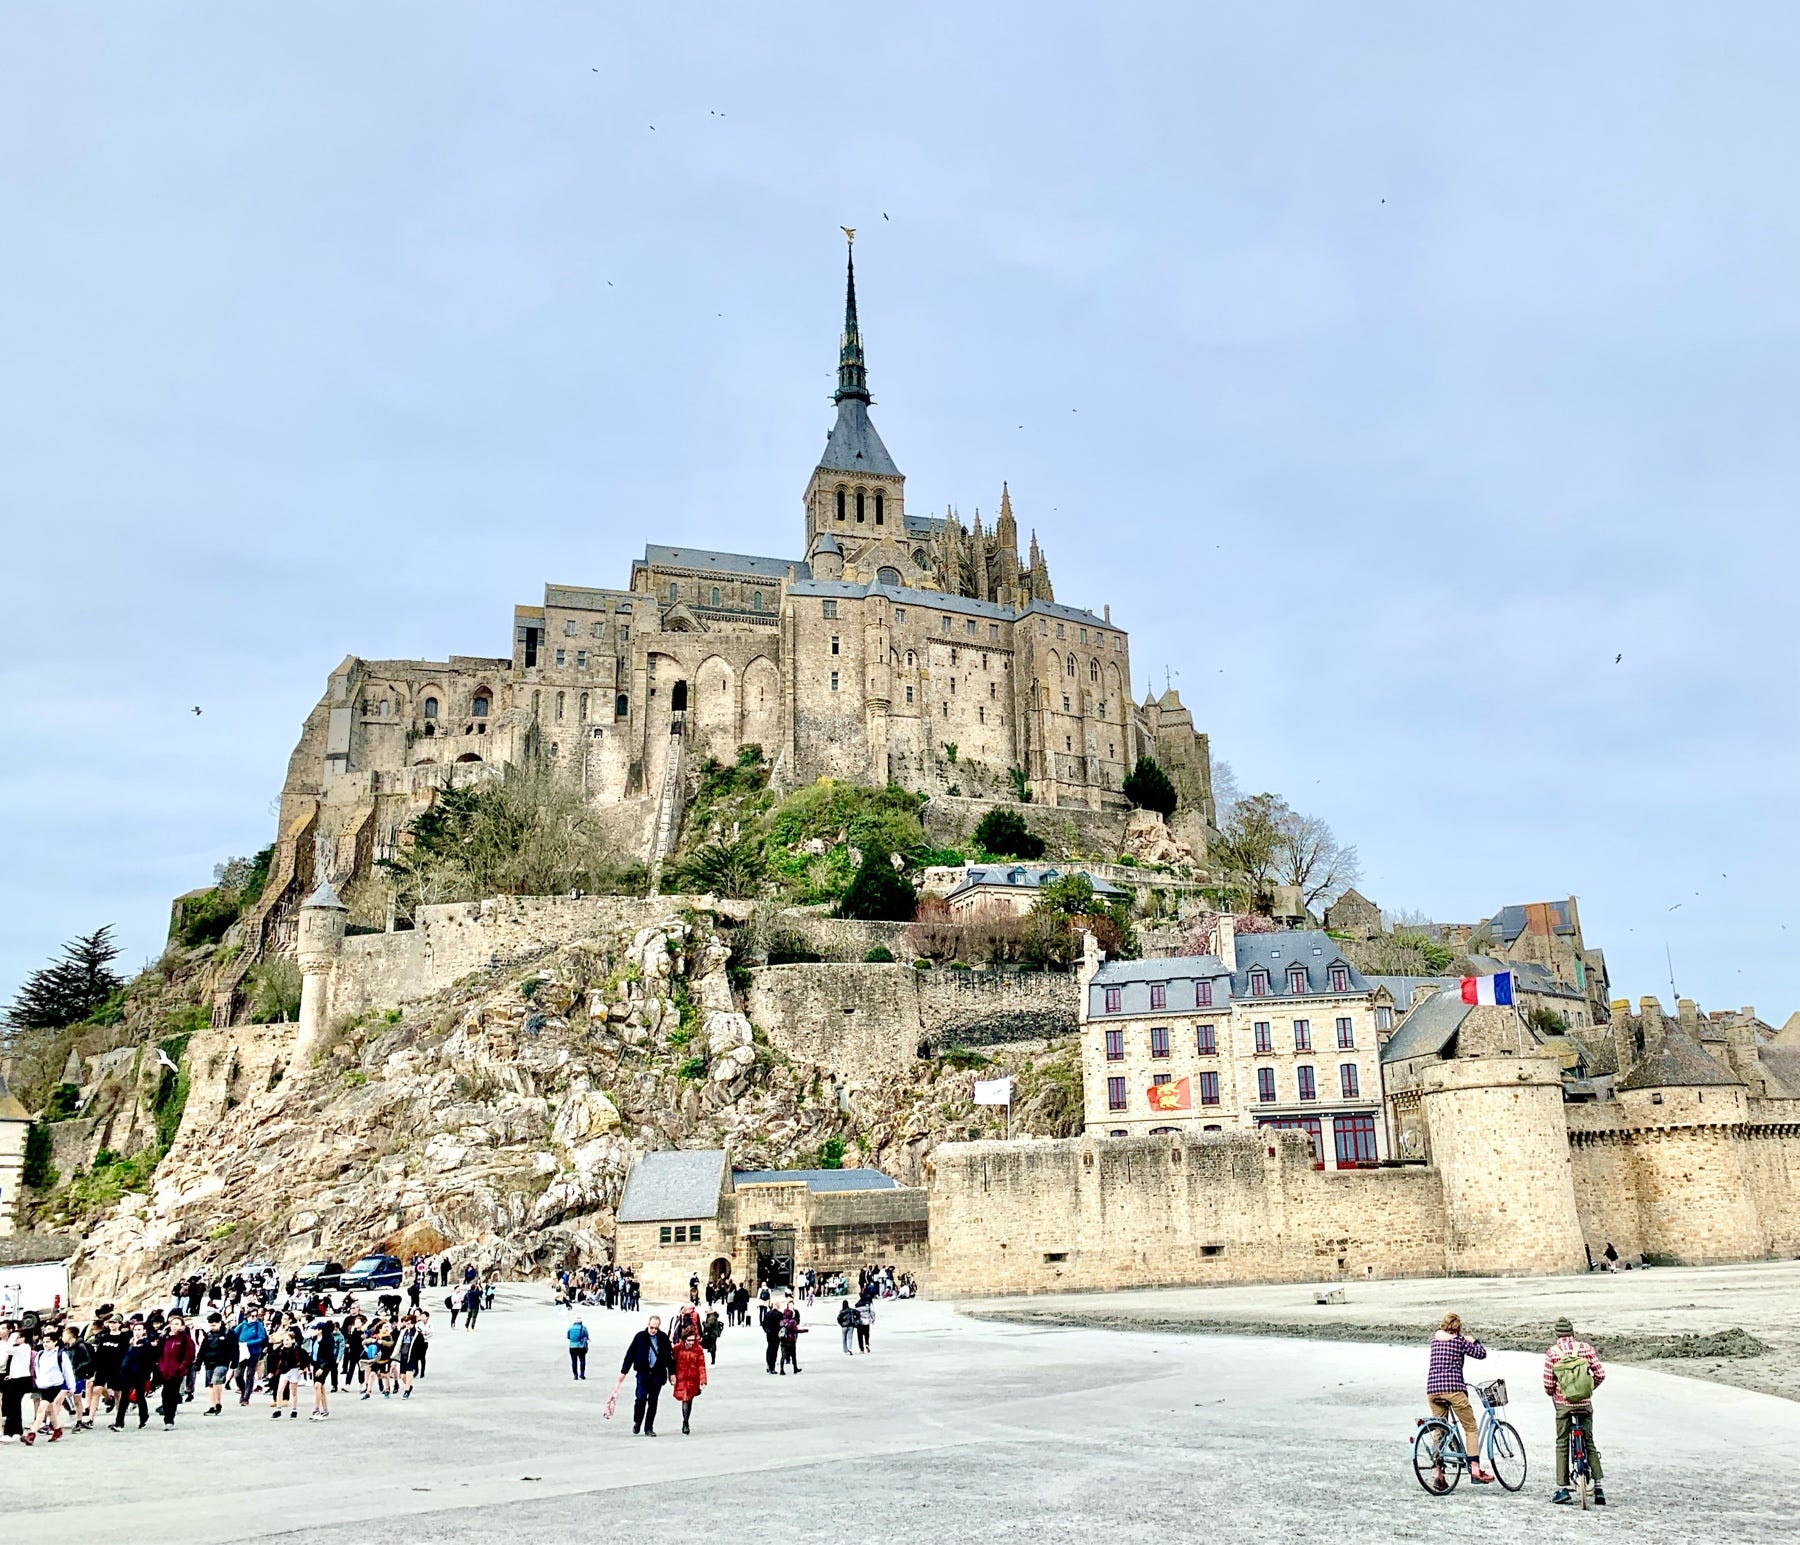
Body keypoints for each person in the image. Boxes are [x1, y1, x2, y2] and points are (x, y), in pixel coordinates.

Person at [1424, 1312, 1494, 1487]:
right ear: (1458, 1328)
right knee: (1470, 1428)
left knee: (1439, 1428)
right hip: (1453, 1390)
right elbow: (1481, 1354)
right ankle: (1475, 1468)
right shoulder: (1459, 1341)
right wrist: (1473, 1340)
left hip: (1433, 1390)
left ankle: (1438, 1473)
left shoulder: (1434, 1341)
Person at [1544, 1315, 1607, 1506]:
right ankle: (1598, 1487)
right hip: (1584, 1404)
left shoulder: (1552, 1353)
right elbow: (1600, 1374)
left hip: (1563, 1405)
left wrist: (1556, 1395)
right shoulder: (1586, 1348)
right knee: (1589, 1440)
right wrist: (1588, 1388)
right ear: (1573, 1333)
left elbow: (1548, 1384)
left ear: (1556, 1334)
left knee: (1562, 1442)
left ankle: (1562, 1488)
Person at [606, 1314, 674, 1436]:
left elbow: (669, 1357)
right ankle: (637, 1421)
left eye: (656, 1328)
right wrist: (623, 1372)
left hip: (657, 1374)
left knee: (653, 1401)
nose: (653, 1330)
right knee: (640, 1399)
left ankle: (649, 1427)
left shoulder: (663, 1338)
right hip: (643, 1374)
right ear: (648, 1325)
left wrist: (672, 1373)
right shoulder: (640, 1337)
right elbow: (630, 1354)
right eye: (651, 1327)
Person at [111, 1321, 157, 1430]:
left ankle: (143, 1417)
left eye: (139, 1329)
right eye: (135, 1330)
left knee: (140, 1397)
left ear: (144, 1331)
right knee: (124, 1398)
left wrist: (147, 1375)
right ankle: (119, 1423)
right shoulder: (129, 1343)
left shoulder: (147, 1344)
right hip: (127, 1374)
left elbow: (149, 1360)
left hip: (140, 1374)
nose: (137, 1332)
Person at [155, 1313, 196, 1429]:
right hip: (165, 1371)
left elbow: (189, 1356)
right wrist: (160, 1366)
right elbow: (159, 1353)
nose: (174, 1326)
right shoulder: (165, 1338)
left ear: (182, 1326)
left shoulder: (185, 1339)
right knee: (165, 1394)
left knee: (172, 1394)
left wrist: (181, 1367)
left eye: (177, 1324)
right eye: (172, 1324)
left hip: (177, 1372)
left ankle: (169, 1419)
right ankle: (167, 1414)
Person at [671, 1320, 707, 1434]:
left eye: (693, 1340)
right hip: (681, 1378)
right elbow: (671, 1363)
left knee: (689, 1399)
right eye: (689, 1340)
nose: (691, 1342)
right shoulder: (677, 1348)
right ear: (684, 1339)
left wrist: (703, 1380)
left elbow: (701, 1365)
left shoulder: (698, 1349)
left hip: (693, 1378)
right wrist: (671, 1375)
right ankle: (685, 1422)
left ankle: (686, 1421)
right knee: (685, 1399)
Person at [198, 1313, 237, 1415]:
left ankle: (217, 1402)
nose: (212, 1327)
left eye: (214, 1325)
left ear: (220, 1322)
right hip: (209, 1362)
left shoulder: (229, 1333)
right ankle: (213, 1405)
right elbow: (202, 1350)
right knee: (211, 1384)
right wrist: (198, 1363)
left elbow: (235, 1348)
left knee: (216, 1381)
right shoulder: (208, 1335)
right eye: (211, 1325)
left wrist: (234, 1362)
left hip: (222, 1362)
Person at [235, 1305, 269, 1406]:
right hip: (242, 1352)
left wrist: (248, 1343)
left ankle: (246, 1397)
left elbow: (261, 1338)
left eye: (256, 1316)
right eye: (252, 1316)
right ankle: (243, 1390)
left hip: (254, 1352)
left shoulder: (259, 1325)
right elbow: (234, 1333)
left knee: (250, 1374)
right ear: (247, 1315)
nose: (254, 1318)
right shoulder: (243, 1324)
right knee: (238, 1375)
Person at [778, 1301, 804, 1375]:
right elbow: (796, 1330)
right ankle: (795, 1368)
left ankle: (781, 1369)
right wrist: (804, 1331)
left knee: (783, 1355)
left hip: (783, 1339)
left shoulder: (782, 1321)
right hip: (791, 1339)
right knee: (793, 1354)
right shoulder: (792, 1321)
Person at [759, 1298, 782, 1375]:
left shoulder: (767, 1314)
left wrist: (766, 1330)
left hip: (769, 1334)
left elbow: (763, 1324)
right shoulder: (780, 1315)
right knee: (774, 1350)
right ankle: (772, 1367)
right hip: (777, 1334)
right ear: (777, 1305)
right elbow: (782, 1324)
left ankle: (768, 1364)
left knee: (769, 1348)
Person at [568, 1316, 590, 1381]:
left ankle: (575, 1375)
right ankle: (582, 1374)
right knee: (582, 1360)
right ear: (581, 1322)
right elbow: (587, 1336)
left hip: (572, 1347)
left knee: (574, 1361)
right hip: (581, 1346)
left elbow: (568, 1337)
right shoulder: (584, 1328)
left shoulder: (570, 1328)